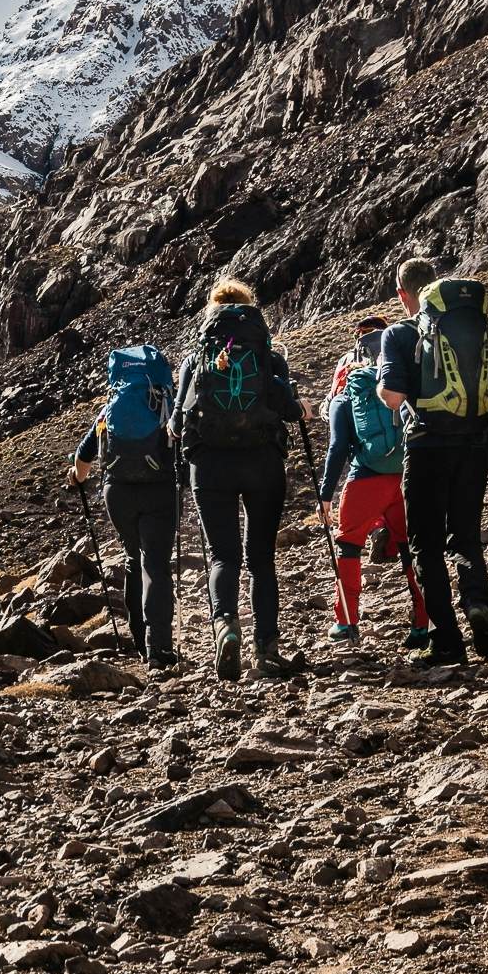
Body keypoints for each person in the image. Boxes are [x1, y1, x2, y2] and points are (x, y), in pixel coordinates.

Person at [377, 256, 488, 667]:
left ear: (403, 294)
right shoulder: (467, 327)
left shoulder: (398, 334)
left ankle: (448, 641)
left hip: (427, 446)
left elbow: (392, 396)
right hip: (475, 442)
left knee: (426, 546)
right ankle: (478, 604)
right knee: (466, 535)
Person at [171, 278, 303, 681]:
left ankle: (226, 628)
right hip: (262, 464)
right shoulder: (267, 352)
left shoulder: (197, 357)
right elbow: (288, 408)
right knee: (261, 559)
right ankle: (267, 648)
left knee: (222, 555)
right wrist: (300, 408)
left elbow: (176, 424)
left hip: (210, 468)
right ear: (249, 310)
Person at [72, 343, 180, 669]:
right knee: (156, 565)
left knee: (134, 559)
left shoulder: (110, 409)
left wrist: (77, 477)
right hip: (159, 490)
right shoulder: (165, 402)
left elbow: (83, 459)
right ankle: (159, 648)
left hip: (117, 494)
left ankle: (139, 642)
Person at [316, 313, 418, 649]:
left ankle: (346, 622)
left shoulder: (349, 387)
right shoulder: (398, 374)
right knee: (410, 550)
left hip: (365, 479)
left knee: (348, 546)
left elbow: (337, 447)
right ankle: (422, 622)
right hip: (405, 475)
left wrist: (325, 494)